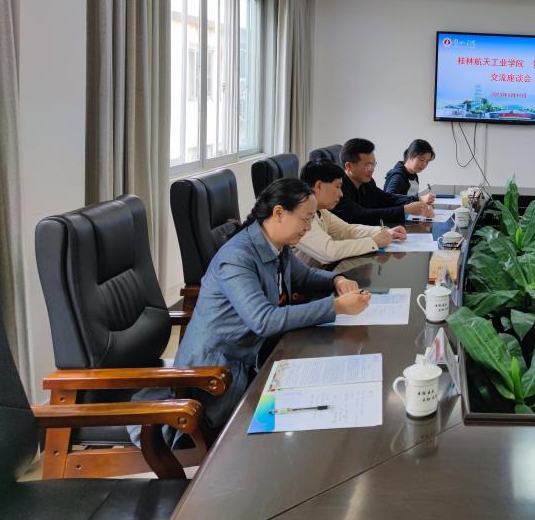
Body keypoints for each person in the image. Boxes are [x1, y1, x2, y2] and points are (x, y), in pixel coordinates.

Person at [131, 178, 372, 441]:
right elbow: (264, 320)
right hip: (213, 380)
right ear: (278, 213)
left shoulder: (275, 244)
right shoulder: (237, 257)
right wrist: (335, 307)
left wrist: (337, 279)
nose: (308, 227)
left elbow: (303, 275)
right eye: (305, 219)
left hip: (254, 359)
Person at [297, 159, 409, 269]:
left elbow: (347, 230)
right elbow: (328, 251)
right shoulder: (301, 214)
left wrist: (384, 232)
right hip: (304, 280)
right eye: (337, 187)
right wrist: (373, 242)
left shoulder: (321, 211)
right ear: (319, 186)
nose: (341, 194)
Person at [335, 138, 434, 225]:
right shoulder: (338, 188)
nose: (372, 169)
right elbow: (362, 215)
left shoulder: (368, 182)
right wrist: (404, 210)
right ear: (349, 166)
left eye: (373, 164)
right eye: (367, 165)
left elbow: (388, 198)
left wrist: (417, 201)